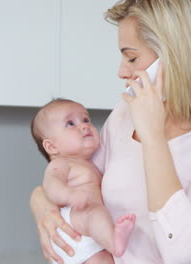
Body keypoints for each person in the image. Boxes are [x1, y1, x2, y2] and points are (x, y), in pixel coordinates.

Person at [30, 0, 191, 263]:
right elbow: (78, 180)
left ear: (172, 55)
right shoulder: (125, 114)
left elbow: (180, 252)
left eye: (132, 57)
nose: (121, 70)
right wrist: (40, 204)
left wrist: (153, 137)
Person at [30, 99, 136, 264]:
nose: (84, 126)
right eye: (70, 123)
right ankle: (114, 241)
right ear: (51, 147)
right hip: (74, 221)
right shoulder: (60, 164)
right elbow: (51, 185)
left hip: (90, 233)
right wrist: (69, 195)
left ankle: (113, 240)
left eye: (86, 120)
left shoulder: (91, 164)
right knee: (94, 214)